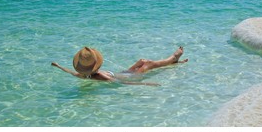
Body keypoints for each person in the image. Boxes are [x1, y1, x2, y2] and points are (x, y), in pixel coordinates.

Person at [51, 46, 188, 86]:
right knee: (148, 64)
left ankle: (173, 62)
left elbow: (70, 72)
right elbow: (122, 83)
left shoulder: (83, 75)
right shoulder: (100, 76)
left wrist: (58, 66)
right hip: (132, 77)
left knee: (142, 60)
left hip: (124, 72)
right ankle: (173, 58)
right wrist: (146, 84)